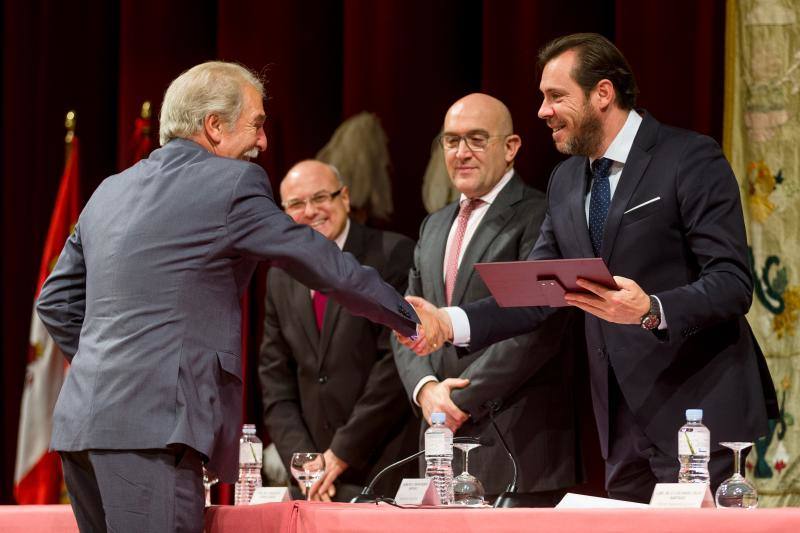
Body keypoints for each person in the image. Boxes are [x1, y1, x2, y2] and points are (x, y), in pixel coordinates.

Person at [35, 61, 418, 532]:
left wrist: (107, 361)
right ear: (214, 127)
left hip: (82, 429)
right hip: (155, 433)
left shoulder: (109, 191)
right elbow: (321, 262)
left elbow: (54, 301)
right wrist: (410, 318)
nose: (263, 143)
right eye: (256, 124)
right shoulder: (232, 183)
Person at [401, 33, 778, 503]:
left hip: (697, 416)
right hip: (618, 422)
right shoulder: (566, 180)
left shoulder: (688, 158)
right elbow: (537, 292)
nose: (542, 110)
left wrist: (653, 307)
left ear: (603, 93)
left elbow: (731, 282)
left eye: (555, 96)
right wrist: (448, 320)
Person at [393, 93, 582, 506]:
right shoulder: (433, 225)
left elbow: (541, 326)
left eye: (477, 139)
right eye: (451, 140)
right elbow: (407, 320)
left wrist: (458, 399)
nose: (462, 152)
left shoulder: (542, 215)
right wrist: (427, 391)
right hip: (440, 445)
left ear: (511, 147)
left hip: (517, 446)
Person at [259, 160, 419, 502]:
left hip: (381, 466)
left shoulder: (393, 253)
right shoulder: (280, 275)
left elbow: (394, 365)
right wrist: (306, 464)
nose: (311, 211)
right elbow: (275, 381)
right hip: (314, 482)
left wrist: (341, 453)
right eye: (297, 204)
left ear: (345, 198)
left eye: (321, 197)